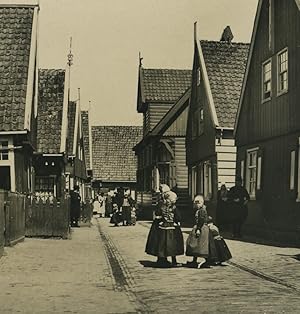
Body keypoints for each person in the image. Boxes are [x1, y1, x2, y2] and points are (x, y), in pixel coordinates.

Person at [186, 195, 217, 268]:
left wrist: (198, 229)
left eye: (198, 203)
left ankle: (206, 260)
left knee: (201, 245)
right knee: (196, 244)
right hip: (199, 227)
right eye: (195, 203)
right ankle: (194, 260)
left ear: (202, 203)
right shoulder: (199, 210)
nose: (196, 205)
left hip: (202, 229)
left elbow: (201, 220)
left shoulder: (202, 210)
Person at [145, 184, 170, 266]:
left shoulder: (162, 202)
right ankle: (161, 258)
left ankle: (162, 258)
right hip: (160, 222)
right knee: (160, 240)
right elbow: (159, 211)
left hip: (160, 222)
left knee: (161, 240)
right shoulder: (162, 202)